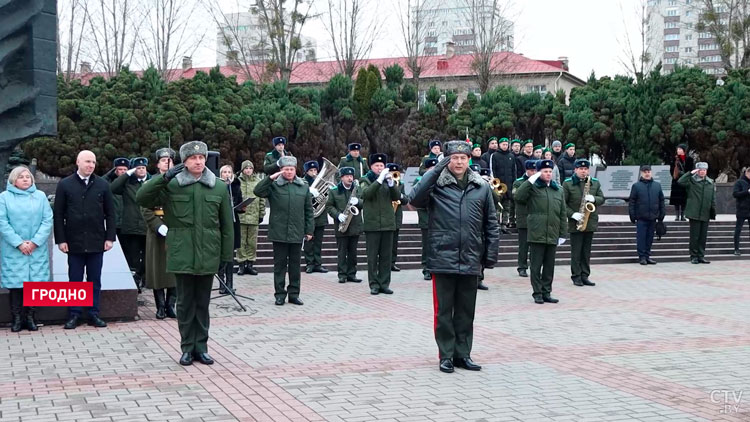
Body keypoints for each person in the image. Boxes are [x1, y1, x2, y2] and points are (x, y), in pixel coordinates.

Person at [137, 141, 234, 366]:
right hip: (182, 253)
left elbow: (227, 226)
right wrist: (164, 177)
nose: (198, 161)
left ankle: (202, 347)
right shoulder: (173, 185)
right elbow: (142, 198)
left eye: (202, 158)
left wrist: (226, 257)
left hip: (208, 253)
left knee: (202, 303)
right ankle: (187, 347)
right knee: (184, 304)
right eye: (193, 158)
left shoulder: (218, 187)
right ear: (185, 162)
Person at [409, 141, 500, 374]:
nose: (459, 162)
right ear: (447, 160)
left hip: (471, 257)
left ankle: (463, 354)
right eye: (454, 158)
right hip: (443, 257)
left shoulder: (481, 187)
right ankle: (446, 355)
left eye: (463, 157)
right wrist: (435, 170)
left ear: (469, 159)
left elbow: (491, 222)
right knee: (444, 312)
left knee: (466, 311)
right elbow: (414, 198)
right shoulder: (437, 186)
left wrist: (490, 254)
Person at [54, 150, 116, 329]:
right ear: (78, 162)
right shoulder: (65, 185)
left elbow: (111, 213)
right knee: (75, 279)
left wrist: (109, 237)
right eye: (87, 161)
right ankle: (74, 314)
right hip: (74, 241)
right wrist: (61, 239)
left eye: (93, 162)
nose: (91, 165)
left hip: (97, 240)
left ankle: (93, 313)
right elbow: (58, 214)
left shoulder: (102, 185)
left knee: (94, 279)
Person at [254, 155, 314, 305]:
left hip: (297, 232)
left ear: (295, 170)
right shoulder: (274, 186)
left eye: (291, 169)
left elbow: (308, 210)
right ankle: (280, 294)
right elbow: (257, 191)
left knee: (295, 266)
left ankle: (294, 294)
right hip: (279, 232)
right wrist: (270, 178)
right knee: (279, 266)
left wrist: (309, 230)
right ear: (281, 170)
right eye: (285, 169)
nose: (288, 172)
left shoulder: (303, 186)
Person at [0, 166, 53, 332]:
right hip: (14, 248)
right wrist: (19, 243)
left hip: (36, 248)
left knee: (34, 284)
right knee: (16, 285)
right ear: (13, 180)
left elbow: (47, 220)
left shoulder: (40, 196)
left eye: (28, 177)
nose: (25, 179)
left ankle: (30, 317)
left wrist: (35, 242)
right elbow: (2, 222)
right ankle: (16, 318)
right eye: (21, 177)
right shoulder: (4, 197)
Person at [514, 159, 567, 304]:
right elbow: (518, 197)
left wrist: (563, 233)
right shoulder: (533, 188)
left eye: (550, 171)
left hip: (552, 232)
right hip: (537, 232)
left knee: (549, 266)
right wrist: (530, 181)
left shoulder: (558, 190)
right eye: (545, 171)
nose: (548, 174)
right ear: (539, 173)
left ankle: (546, 292)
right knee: (536, 266)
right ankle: (537, 292)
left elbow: (562, 213)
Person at [141, 148, 177, 319]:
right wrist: (158, 226)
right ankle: (160, 306)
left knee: (175, 271)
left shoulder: (179, 182)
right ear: (158, 164)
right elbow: (145, 208)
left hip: (176, 232)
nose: (167, 163)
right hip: (157, 233)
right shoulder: (151, 183)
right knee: (158, 271)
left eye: (170, 161)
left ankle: (171, 306)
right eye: (163, 161)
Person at [360, 153, 400, 295]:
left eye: (381, 166)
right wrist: (379, 181)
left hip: (388, 223)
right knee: (372, 256)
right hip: (372, 224)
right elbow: (366, 194)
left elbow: (397, 197)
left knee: (386, 256)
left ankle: (384, 284)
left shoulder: (388, 180)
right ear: (371, 166)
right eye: (376, 165)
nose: (379, 168)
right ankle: (374, 284)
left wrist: (391, 184)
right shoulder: (365, 179)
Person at [110, 157, 150, 293]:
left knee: (146, 258)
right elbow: (113, 187)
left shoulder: (150, 182)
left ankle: (142, 277)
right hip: (131, 228)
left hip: (147, 227)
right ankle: (135, 281)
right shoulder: (127, 183)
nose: (141, 170)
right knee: (133, 259)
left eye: (143, 168)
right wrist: (127, 174)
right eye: (138, 168)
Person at [563, 159, 605, 287]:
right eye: (581, 169)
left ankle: (585, 275)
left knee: (586, 251)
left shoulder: (594, 183)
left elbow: (602, 198)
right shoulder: (568, 183)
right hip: (576, 222)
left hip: (590, 221)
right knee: (576, 251)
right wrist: (572, 214)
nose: (583, 171)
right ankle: (576, 276)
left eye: (586, 169)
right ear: (575, 170)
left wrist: (594, 199)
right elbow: (562, 204)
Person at [326, 167, 363, 283]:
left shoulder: (357, 190)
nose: (350, 178)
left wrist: (359, 202)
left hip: (355, 225)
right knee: (342, 252)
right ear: (342, 178)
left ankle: (352, 274)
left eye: (351, 176)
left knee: (353, 252)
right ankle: (342, 274)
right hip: (341, 226)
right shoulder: (334, 191)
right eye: (347, 176)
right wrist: (338, 215)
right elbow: (329, 206)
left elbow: (365, 202)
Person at [678, 162, 716, 264]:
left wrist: (713, 210)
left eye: (704, 170)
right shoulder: (691, 181)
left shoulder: (710, 182)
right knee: (695, 236)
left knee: (703, 237)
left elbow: (713, 198)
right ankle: (693, 256)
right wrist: (690, 173)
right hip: (694, 212)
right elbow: (680, 181)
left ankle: (701, 255)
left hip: (705, 213)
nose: (702, 172)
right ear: (697, 171)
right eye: (700, 170)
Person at [628, 165, 665, 265]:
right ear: (641, 173)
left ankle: (648, 256)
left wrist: (662, 214)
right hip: (641, 217)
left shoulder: (657, 185)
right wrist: (632, 215)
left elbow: (661, 200)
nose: (647, 173)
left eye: (648, 171)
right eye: (645, 171)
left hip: (653, 217)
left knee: (650, 238)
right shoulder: (636, 186)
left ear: (651, 172)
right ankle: (642, 257)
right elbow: (632, 202)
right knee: (641, 238)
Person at [236, 160, 265, 275]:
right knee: (241, 242)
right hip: (241, 217)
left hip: (254, 216)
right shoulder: (237, 181)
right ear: (242, 170)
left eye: (250, 168)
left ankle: (250, 264)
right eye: (246, 168)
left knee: (252, 242)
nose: (248, 170)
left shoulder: (258, 181)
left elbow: (262, 199)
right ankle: (241, 264)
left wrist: (261, 214)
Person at [219, 164, 242, 294]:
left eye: (229, 172)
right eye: (224, 172)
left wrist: (241, 207)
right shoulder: (218, 187)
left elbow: (240, 202)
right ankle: (222, 284)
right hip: (221, 224)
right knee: (223, 256)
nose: (227, 174)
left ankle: (230, 284)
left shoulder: (236, 186)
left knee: (231, 256)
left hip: (233, 222)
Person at [414, 158, 438, 280]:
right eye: (430, 169)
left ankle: (436, 268)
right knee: (427, 245)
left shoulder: (440, 181)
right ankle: (426, 269)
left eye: (435, 168)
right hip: (425, 217)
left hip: (439, 219)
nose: (433, 170)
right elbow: (415, 198)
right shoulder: (420, 181)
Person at [303, 160, 329, 274]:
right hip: (309, 216)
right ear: (306, 171)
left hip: (320, 216)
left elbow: (328, 197)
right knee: (309, 241)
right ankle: (309, 263)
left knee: (318, 242)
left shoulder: (323, 182)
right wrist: (309, 192)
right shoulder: (303, 182)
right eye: (311, 170)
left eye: (315, 170)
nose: (314, 173)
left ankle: (318, 264)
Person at [512, 160, 536, 278]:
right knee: (523, 245)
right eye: (532, 170)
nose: (534, 172)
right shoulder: (518, 182)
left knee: (535, 245)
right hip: (524, 218)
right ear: (527, 170)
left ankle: (534, 266)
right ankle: (522, 267)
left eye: (536, 170)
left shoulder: (539, 182)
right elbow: (518, 198)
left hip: (536, 218)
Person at [489, 137, 516, 232]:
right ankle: (496, 225)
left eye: (506, 144)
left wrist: (513, 184)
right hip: (498, 185)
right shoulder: (495, 155)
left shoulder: (511, 156)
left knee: (507, 206)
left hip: (508, 185)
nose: (505, 146)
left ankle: (504, 224)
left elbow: (513, 171)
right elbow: (492, 171)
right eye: (503, 144)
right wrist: (496, 184)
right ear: (499, 145)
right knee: (497, 206)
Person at [388, 163, 409, 272]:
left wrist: (400, 197)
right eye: (391, 172)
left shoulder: (400, 184)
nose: (394, 174)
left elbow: (405, 199)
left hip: (396, 215)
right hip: (387, 214)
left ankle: (392, 263)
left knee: (394, 242)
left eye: (395, 172)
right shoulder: (384, 183)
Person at [104, 157, 130, 239]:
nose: (122, 171)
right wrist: (109, 174)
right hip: (114, 222)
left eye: (125, 169)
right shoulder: (109, 182)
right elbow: (100, 182)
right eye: (120, 169)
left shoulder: (131, 183)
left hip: (127, 223)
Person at [670, 144, 694, 221]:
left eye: (680, 149)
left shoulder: (689, 159)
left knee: (684, 199)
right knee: (676, 199)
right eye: (677, 149)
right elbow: (671, 170)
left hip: (685, 181)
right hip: (676, 181)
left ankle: (683, 215)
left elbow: (690, 170)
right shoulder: (674, 159)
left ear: (684, 150)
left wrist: (684, 175)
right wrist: (677, 174)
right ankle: (677, 215)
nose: (678, 151)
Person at [733, 166, 750, 256]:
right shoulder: (740, 182)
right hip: (742, 209)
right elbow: (735, 194)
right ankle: (736, 249)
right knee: (738, 230)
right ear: (747, 173)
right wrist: (747, 192)